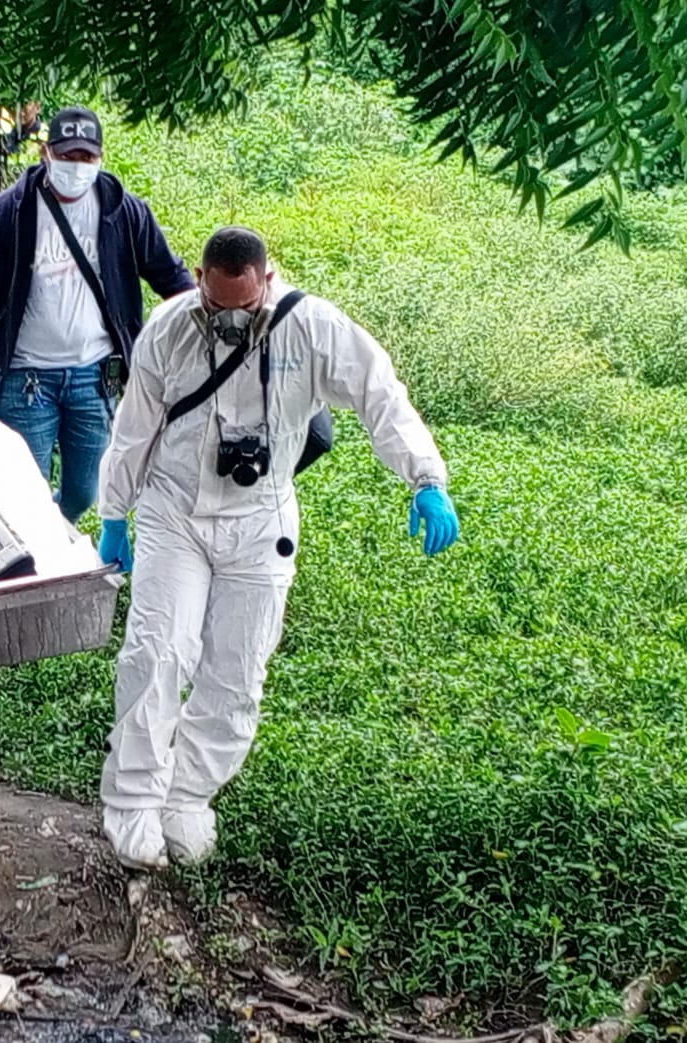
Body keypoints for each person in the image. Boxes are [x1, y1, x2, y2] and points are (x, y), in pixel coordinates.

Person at [94, 227, 460, 871]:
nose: (229, 318)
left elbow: (381, 395)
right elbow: (134, 425)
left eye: (243, 305)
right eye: (216, 304)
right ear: (201, 281)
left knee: (236, 674)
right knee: (156, 654)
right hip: (173, 510)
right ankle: (133, 805)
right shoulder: (171, 326)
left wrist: (425, 479)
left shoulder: (311, 327)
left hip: (260, 519)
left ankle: (188, 797)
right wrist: (114, 512)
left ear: (266, 279)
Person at [0, 106, 194, 525]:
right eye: (68, 156)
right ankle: (34, 561)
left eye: (86, 157)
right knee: (22, 490)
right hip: (27, 377)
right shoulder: (9, 213)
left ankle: (54, 530)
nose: (76, 166)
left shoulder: (124, 211)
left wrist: (204, 323)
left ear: (100, 157)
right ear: (47, 152)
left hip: (95, 374)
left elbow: (169, 275)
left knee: (87, 490)